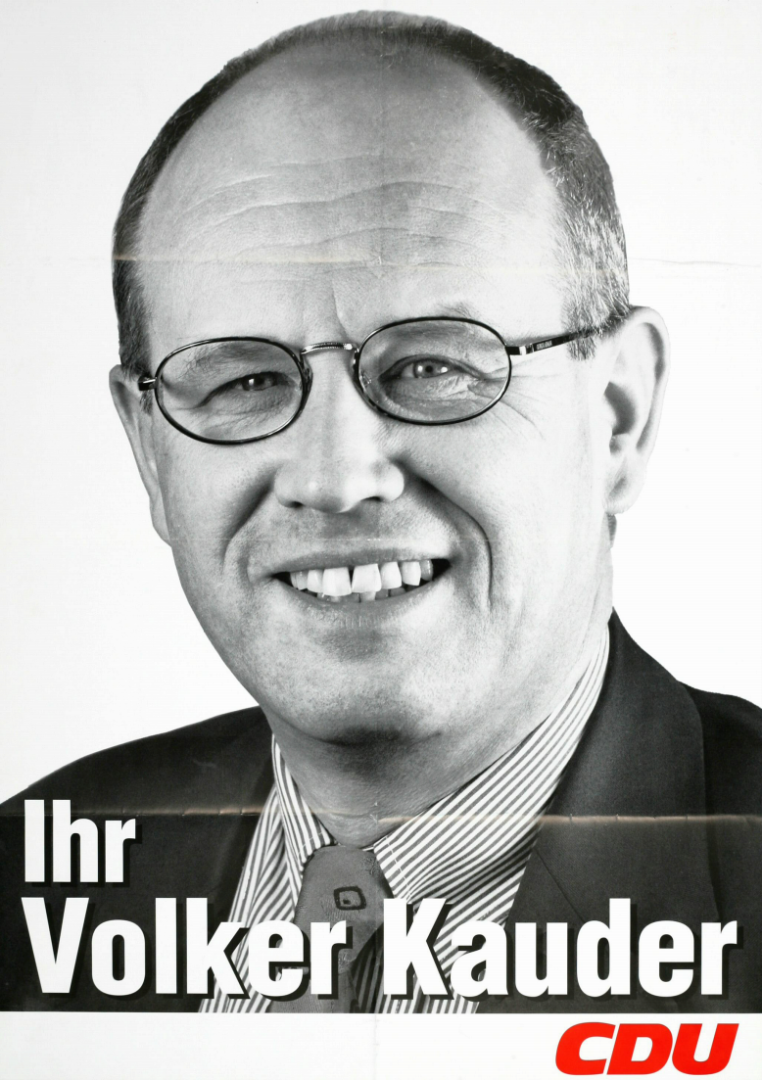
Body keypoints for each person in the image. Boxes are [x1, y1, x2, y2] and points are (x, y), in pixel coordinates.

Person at [1, 11, 760, 1014]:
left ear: (619, 412)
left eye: (433, 365)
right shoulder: (29, 884)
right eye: (242, 382)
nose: (334, 476)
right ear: (149, 447)